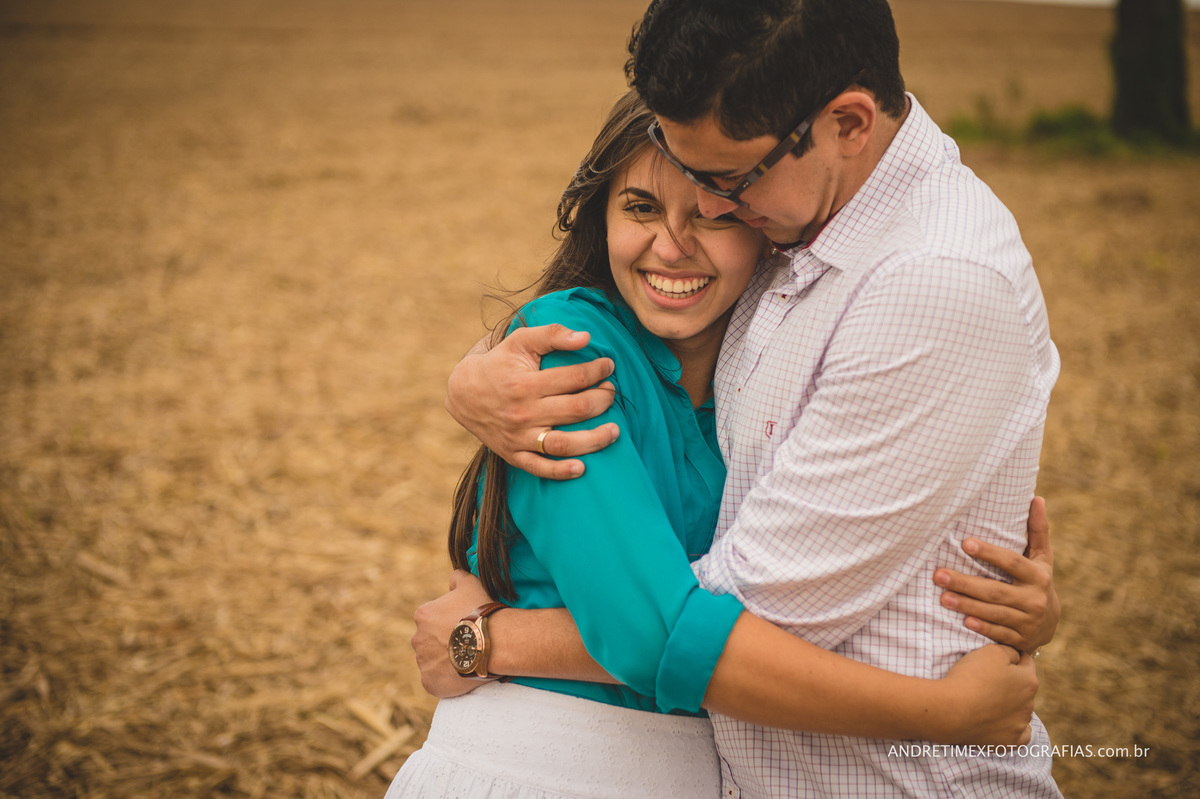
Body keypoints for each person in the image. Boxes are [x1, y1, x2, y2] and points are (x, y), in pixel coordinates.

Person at [419, 1, 1065, 796]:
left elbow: (701, 621)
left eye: (724, 184)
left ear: (849, 124)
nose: (708, 209)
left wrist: (490, 639)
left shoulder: (929, 282)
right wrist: (470, 378)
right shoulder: (798, 232)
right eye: (664, 181)